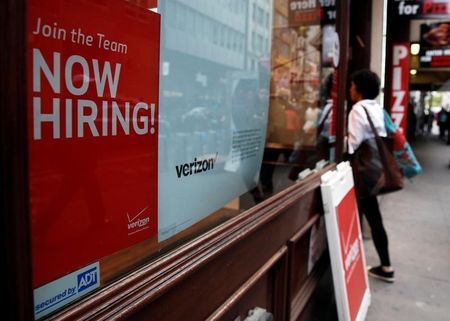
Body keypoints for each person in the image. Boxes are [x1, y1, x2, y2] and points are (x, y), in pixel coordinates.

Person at [347, 69, 395, 283]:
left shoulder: (357, 109)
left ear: (359, 88)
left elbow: (353, 144)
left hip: (362, 172)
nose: (350, 89)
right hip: (375, 171)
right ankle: (386, 265)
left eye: (352, 85)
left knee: (356, 217)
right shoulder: (376, 108)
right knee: (375, 218)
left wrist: (338, 142)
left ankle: (378, 266)